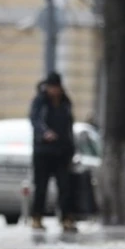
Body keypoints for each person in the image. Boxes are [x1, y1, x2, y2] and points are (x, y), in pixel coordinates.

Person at [29, 72, 76, 232]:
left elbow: (69, 125)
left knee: (65, 186)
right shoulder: (40, 101)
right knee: (41, 186)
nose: (54, 91)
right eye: (51, 87)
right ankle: (37, 217)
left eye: (56, 87)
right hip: (43, 151)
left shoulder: (65, 102)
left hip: (62, 151)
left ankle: (66, 218)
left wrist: (71, 147)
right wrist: (45, 133)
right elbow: (35, 120)